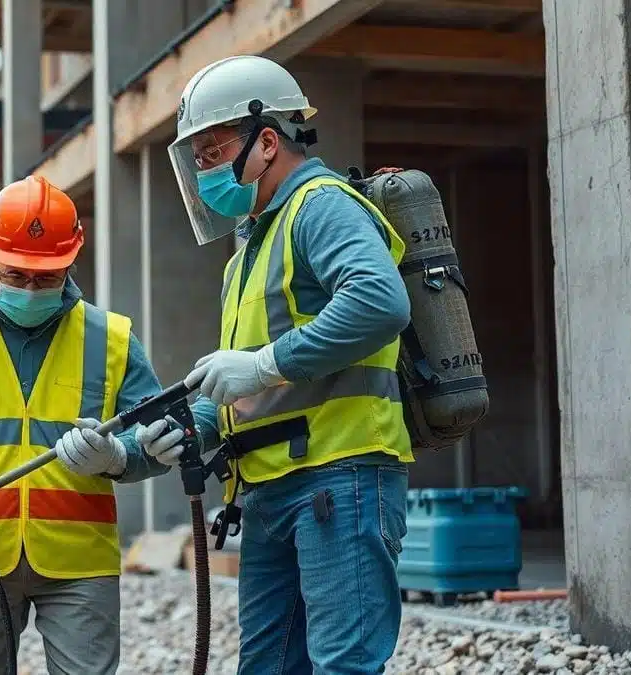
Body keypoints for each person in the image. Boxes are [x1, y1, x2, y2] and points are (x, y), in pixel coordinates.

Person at [148, 54, 414, 674]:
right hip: (269, 486)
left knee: (341, 664)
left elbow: (379, 301)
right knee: (265, 666)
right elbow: (243, 388)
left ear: (267, 142)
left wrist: (264, 364)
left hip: (339, 476)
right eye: (199, 159)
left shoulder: (321, 205)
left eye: (212, 152)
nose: (205, 170)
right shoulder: (247, 249)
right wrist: (183, 433)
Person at [0, 175, 182, 675]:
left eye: (46, 277)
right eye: (16, 275)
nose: (30, 288)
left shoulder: (110, 338)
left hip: (79, 562)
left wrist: (120, 456)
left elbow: (159, 435)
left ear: (70, 263)